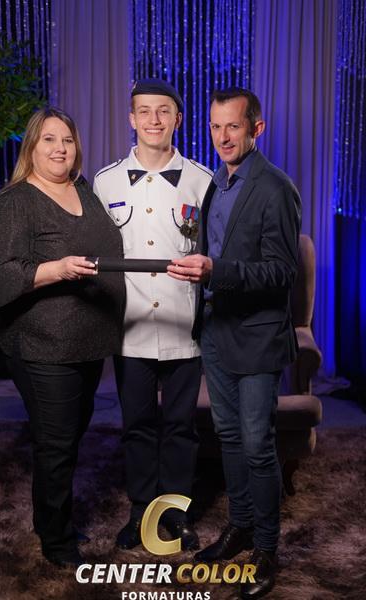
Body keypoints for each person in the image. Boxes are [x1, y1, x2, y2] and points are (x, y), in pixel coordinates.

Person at [167, 87, 301, 599]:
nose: (222, 137)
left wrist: (217, 270)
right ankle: (240, 526)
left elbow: (282, 271)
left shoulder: (276, 188)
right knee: (227, 439)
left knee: (257, 445)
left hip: (258, 338)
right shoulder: (215, 184)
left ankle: (266, 548)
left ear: (256, 129)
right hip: (217, 331)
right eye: (215, 126)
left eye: (234, 126)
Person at [0, 107, 125, 568]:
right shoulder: (14, 202)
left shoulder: (83, 191)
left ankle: (50, 521)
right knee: (56, 444)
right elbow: (1, 278)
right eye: (49, 139)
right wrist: (56, 269)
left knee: (70, 436)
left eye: (67, 139)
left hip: (87, 341)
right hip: (43, 344)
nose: (60, 148)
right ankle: (57, 541)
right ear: (32, 147)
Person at [93, 78, 212, 550]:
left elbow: (213, 252)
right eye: (144, 111)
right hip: (132, 328)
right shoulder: (105, 181)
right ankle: (141, 511)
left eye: (163, 111)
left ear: (177, 119)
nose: (154, 120)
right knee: (137, 427)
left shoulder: (202, 180)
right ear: (131, 118)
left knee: (181, 428)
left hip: (184, 327)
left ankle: (176, 514)